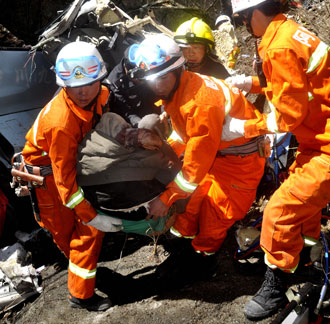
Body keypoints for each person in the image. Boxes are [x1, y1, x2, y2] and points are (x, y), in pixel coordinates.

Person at [226, 0, 330, 320]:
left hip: (327, 147)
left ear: (251, 13)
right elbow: (296, 86)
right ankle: (309, 260)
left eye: (242, 19)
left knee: (278, 211)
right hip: (319, 139)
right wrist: (255, 81)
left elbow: (287, 115)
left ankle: (278, 279)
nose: (244, 26)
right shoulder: (287, 32)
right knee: (303, 209)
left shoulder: (278, 45)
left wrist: (244, 127)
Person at [128, 34, 268, 283]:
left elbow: (194, 167)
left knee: (216, 214)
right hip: (217, 156)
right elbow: (186, 136)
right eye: (152, 80)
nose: (157, 86)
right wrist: (161, 152)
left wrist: (166, 197)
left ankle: (204, 258)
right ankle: (183, 240)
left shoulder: (199, 102)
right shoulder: (179, 91)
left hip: (239, 166)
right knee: (191, 205)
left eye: (162, 78)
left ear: (177, 69)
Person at [20, 41, 123, 312]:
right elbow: (65, 184)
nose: (83, 91)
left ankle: (82, 279)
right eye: (76, 86)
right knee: (73, 235)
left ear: (99, 78)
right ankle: (81, 295)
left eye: (90, 83)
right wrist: (91, 214)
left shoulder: (100, 95)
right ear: (64, 84)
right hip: (49, 180)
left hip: (70, 166)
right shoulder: (60, 124)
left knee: (85, 236)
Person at [107, 46, 161, 127]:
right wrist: (140, 125)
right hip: (134, 113)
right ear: (128, 72)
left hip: (149, 100)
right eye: (139, 79)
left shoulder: (146, 63)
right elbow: (126, 112)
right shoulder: (115, 84)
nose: (142, 81)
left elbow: (159, 89)